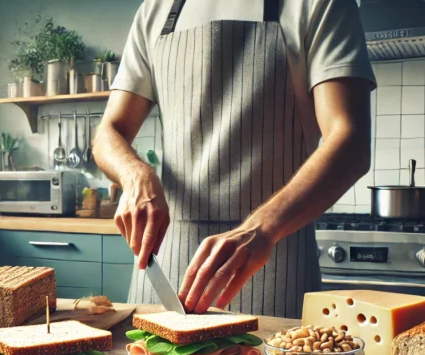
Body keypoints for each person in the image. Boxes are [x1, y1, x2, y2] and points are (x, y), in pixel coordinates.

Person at [93, 0, 374, 317]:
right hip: (164, 270)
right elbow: (108, 132)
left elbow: (350, 141)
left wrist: (262, 229)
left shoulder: (319, 4)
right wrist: (136, 177)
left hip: (273, 269)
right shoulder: (155, 9)